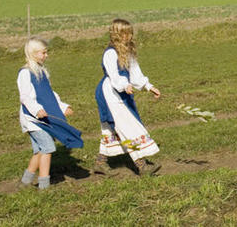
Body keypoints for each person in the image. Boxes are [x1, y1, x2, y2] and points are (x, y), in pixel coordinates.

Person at [93, 18, 162, 176]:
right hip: (111, 92)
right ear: (117, 34)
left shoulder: (128, 51)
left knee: (112, 130)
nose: (128, 36)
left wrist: (149, 86)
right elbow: (114, 75)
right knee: (127, 126)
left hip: (123, 91)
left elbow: (135, 72)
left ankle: (100, 162)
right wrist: (124, 85)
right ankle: (142, 166)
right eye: (125, 33)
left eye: (130, 33)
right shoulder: (110, 53)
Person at [17, 37, 83, 190]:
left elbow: (50, 95)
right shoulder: (25, 73)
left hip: (42, 118)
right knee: (48, 148)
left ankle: (25, 182)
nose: (46, 56)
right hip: (32, 119)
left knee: (39, 151)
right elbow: (25, 96)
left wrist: (63, 107)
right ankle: (44, 185)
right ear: (33, 53)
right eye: (43, 53)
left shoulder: (42, 72)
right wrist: (36, 110)